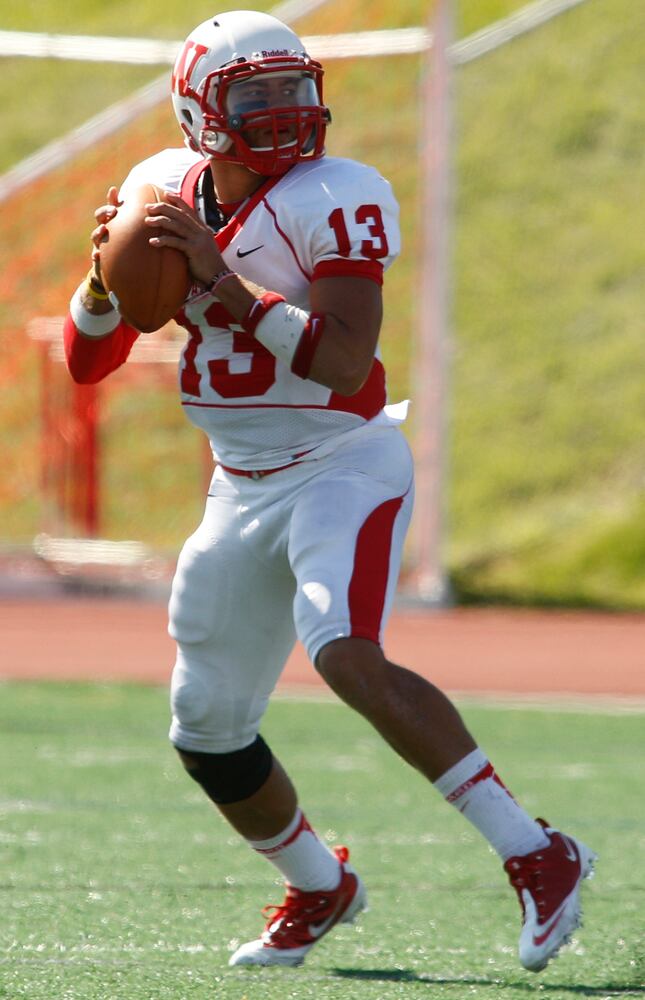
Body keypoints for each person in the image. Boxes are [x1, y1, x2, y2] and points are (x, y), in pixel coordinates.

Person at [64, 9, 595, 973]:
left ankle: (537, 851)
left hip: (340, 460)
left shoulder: (337, 193)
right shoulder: (156, 190)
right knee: (207, 724)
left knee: (344, 651)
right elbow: (87, 363)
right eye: (253, 95)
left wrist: (221, 284)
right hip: (239, 482)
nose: (283, 111)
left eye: (292, 88)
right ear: (196, 109)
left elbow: (347, 365)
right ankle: (319, 881)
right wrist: (104, 281)